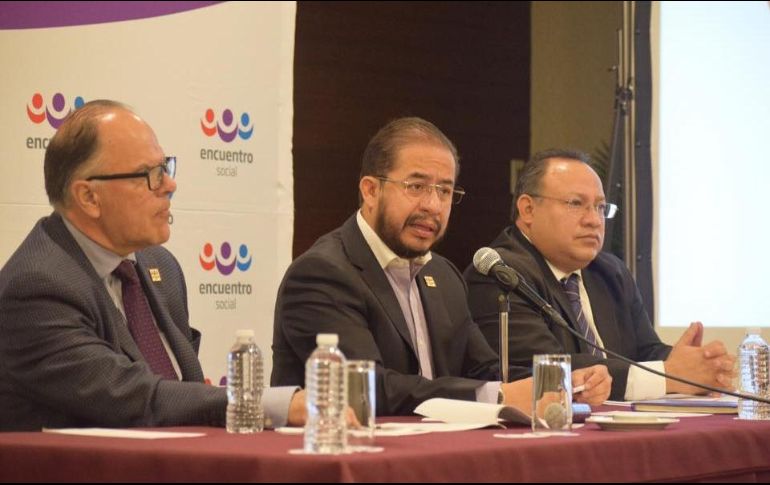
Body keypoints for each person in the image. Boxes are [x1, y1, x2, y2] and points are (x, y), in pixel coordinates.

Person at [0, 100, 305, 431]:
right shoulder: (36, 288)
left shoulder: (160, 266)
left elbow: (183, 391)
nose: (169, 186)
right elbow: (132, 398)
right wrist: (267, 404)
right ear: (89, 197)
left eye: (166, 168)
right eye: (150, 175)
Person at [271, 119, 611, 416]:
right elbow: (366, 387)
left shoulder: (443, 275)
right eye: (416, 187)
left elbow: (486, 370)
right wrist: (499, 395)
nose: (433, 206)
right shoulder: (323, 273)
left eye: (445, 191)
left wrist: (558, 383)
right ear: (370, 190)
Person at [465, 148, 735, 401]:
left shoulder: (610, 272)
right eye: (575, 204)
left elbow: (645, 352)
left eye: (600, 207)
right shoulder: (501, 274)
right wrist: (670, 375)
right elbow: (553, 369)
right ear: (528, 209)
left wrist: (692, 363)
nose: (593, 220)